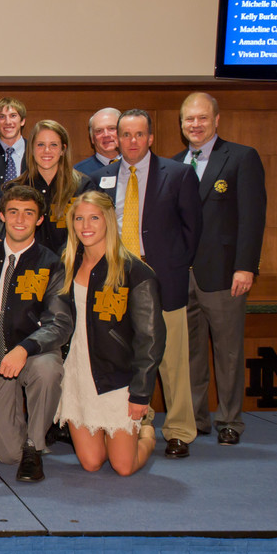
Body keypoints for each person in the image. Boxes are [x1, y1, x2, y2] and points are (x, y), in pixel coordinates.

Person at [91, 109, 202, 458]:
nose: (132, 141)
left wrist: (171, 266)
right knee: (131, 356)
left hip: (164, 281)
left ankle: (180, 430)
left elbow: (192, 230)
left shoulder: (180, 174)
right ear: (117, 139)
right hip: (118, 284)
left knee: (172, 358)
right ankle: (141, 423)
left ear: (151, 137)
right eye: (125, 135)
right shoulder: (102, 177)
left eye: (139, 135)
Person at [174, 92, 266, 445]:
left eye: (201, 118)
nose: (195, 125)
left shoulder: (241, 158)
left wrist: (246, 267)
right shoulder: (174, 163)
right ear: (181, 124)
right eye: (188, 119)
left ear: (216, 120)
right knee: (191, 353)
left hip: (226, 275)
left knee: (227, 352)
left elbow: (252, 218)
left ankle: (230, 421)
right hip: (182, 276)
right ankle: (197, 419)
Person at [56, 191, 164, 476]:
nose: (85, 225)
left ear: (108, 221)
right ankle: (112, 437)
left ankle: (148, 433)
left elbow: (150, 340)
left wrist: (141, 394)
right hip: (77, 374)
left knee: (123, 467)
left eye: (94, 217)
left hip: (117, 378)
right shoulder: (66, 264)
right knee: (92, 463)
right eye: (79, 218)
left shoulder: (136, 273)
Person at [0, 186, 73, 482]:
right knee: (6, 454)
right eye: (13, 212)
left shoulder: (52, 263)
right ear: (2, 216)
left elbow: (60, 323)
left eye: (29, 213)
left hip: (33, 353)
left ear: (39, 220)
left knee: (48, 371)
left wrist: (25, 348)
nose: (19, 219)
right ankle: (31, 436)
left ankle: (34, 445)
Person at [7, 120, 93, 253]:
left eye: (53, 145)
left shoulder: (83, 186)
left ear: (63, 149)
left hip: (73, 265)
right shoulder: (15, 189)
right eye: (40, 145)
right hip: (31, 268)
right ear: (31, 149)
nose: (46, 151)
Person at [0, 97, 27, 184]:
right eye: (2, 117)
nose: (8, 122)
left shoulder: (35, 152)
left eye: (13, 116)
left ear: (22, 121)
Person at [74, 108, 121, 176]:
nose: (106, 135)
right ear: (92, 138)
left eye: (112, 128)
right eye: (99, 131)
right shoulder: (78, 173)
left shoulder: (136, 166)